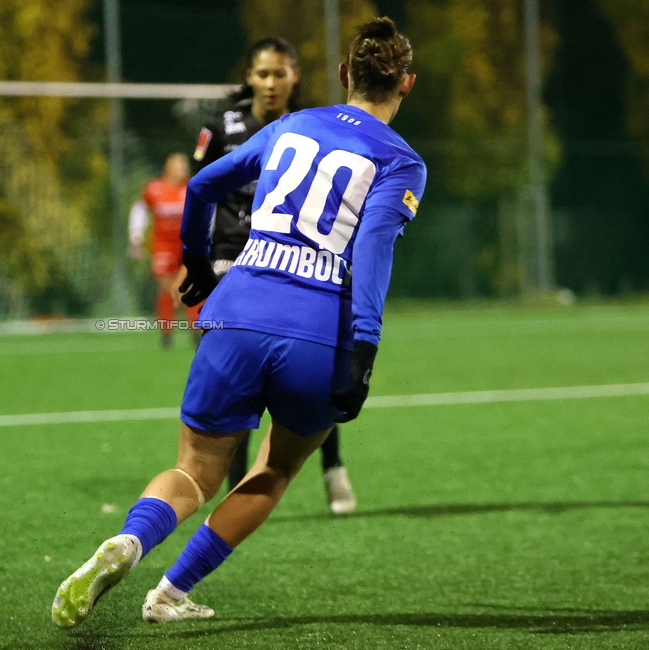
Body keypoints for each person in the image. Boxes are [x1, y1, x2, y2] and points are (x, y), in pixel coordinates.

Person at [52, 17, 424, 627]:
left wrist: (197, 261)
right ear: (406, 84)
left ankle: (129, 542)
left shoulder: (290, 127)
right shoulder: (403, 162)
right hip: (316, 334)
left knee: (194, 470)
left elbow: (201, 185)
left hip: (235, 315)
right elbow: (372, 249)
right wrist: (364, 351)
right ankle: (170, 594)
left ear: (341, 75)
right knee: (274, 468)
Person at [190, 37, 356, 513]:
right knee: (235, 365)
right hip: (229, 256)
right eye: (261, 74)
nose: (269, 83)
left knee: (312, 360)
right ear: (249, 77)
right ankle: (237, 483)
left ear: (294, 76)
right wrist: (195, 255)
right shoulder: (221, 128)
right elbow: (198, 191)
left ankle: (333, 466)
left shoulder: (308, 129)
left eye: (279, 74)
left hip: (289, 259)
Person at [128, 152, 200, 348]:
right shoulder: (155, 189)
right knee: (167, 288)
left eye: (184, 164)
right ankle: (166, 332)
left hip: (186, 244)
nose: (184, 168)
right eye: (179, 164)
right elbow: (140, 210)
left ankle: (196, 332)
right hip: (163, 246)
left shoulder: (192, 187)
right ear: (168, 167)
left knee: (191, 287)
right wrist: (136, 237)